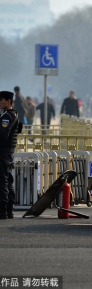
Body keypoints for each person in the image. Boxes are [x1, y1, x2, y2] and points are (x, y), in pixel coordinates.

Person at [0, 91, 22, 219]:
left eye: (2, 100)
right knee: (7, 180)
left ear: (8, 101)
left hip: (3, 152)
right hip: (7, 153)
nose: (0, 102)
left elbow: (3, 134)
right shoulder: (12, 115)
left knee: (2, 180)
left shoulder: (8, 117)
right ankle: (8, 209)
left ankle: (2, 209)